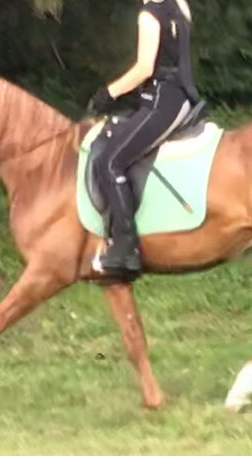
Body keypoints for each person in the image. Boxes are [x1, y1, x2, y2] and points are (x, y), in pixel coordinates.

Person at [86, 0, 199, 278]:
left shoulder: (148, 15)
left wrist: (107, 93)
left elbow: (144, 69)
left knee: (109, 162)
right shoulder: (179, 5)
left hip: (162, 103)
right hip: (177, 96)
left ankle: (125, 249)